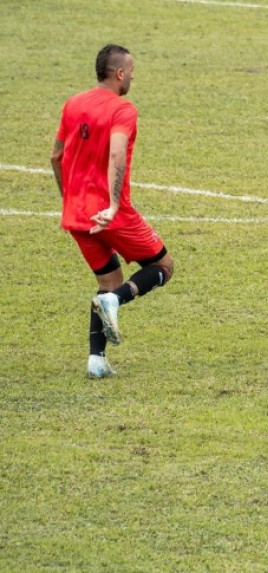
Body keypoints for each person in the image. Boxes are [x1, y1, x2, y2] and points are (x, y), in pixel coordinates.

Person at [51, 44, 175, 379]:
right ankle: (116, 301)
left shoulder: (73, 103)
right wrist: (114, 205)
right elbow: (117, 154)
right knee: (163, 265)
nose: (133, 76)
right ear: (119, 73)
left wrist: (69, 199)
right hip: (110, 212)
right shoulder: (123, 109)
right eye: (131, 70)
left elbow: (56, 156)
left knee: (108, 279)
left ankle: (96, 360)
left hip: (76, 214)